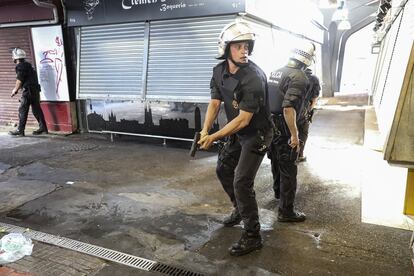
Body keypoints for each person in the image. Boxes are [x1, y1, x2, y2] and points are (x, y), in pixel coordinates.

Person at [198, 21, 272, 256]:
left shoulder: (254, 77)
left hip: (257, 133)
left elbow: (243, 120)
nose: (244, 51)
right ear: (226, 48)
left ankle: (253, 235)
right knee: (223, 169)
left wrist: (215, 136)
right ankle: (239, 208)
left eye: (247, 46)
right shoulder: (218, 71)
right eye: (238, 46)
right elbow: (214, 102)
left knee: (242, 181)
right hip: (238, 132)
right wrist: (204, 131)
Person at [267, 40, 316, 222]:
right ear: (307, 59)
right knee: (289, 168)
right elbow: (288, 108)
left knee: (275, 161)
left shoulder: (276, 72)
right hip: (285, 126)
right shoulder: (299, 77)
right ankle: (286, 212)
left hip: (271, 125)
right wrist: (295, 135)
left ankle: (278, 194)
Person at [9, 48, 48, 137]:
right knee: (36, 110)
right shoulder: (28, 65)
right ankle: (43, 128)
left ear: (16, 57)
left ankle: (20, 130)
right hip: (35, 90)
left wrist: (15, 90)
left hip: (28, 91)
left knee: (23, 110)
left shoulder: (20, 66)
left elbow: (19, 80)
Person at [297, 68, 321, 162]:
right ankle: (299, 155)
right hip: (304, 109)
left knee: (290, 131)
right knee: (303, 132)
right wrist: (309, 110)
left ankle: (289, 154)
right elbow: (314, 98)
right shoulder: (314, 79)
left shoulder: (292, 74)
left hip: (289, 108)